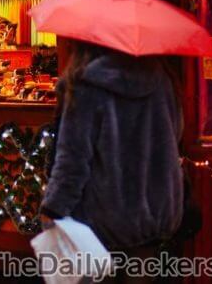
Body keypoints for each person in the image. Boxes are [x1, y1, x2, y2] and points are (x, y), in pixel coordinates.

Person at [40, 43, 184, 276]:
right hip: (150, 221)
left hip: (99, 226)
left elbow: (72, 161)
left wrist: (53, 208)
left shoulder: (85, 86)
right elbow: (175, 136)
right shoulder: (162, 79)